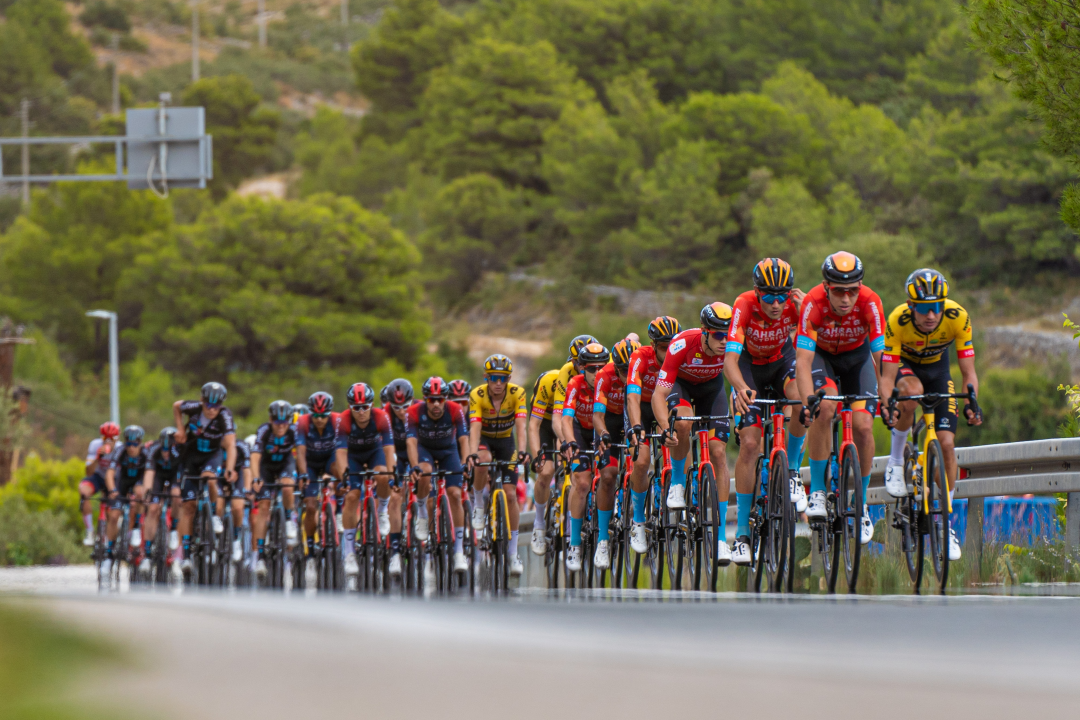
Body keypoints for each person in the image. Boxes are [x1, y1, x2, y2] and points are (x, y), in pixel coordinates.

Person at [880, 268, 983, 561]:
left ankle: (945, 523)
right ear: (912, 307)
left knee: (948, 444)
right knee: (910, 393)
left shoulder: (958, 317)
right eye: (924, 309)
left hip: (939, 371)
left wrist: (972, 401)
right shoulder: (898, 321)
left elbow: (968, 370)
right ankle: (896, 460)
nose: (931, 315)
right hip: (906, 368)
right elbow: (887, 377)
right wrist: (888, 404)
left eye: (936, 307)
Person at [794, 251, 885, 546]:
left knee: (863, 426)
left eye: (852, 291)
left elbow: (881, 358)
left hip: (857, 361)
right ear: (826, 286)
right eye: (838, 292)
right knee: (826, 406)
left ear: (860, 287)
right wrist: (809, 400)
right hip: (824, 360)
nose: (846, 299)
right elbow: (804, 362)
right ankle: (818, 490)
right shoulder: (812, 303)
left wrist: (887, 394)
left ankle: (861, 503)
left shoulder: (871, 301)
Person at [724, 258, 807, 565]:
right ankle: (743, 534)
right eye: (769, 296)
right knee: (749, 443)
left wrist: (805, 309)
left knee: (801, 398)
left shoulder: (795, 305)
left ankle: (793, 470)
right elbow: (730, 360)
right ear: (757, 292)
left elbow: (810, 349)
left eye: (781, 295)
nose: (776, 303)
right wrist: (740, 389)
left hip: (781, 361)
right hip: (748, 369)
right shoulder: (743, 305)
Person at [651, 303, 735, 564]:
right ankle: (677, 481)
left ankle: (721, 539)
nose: (724, 341)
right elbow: (658, 394)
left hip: (712, 390)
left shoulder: (732, 346)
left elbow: (740, 385)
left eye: (728, 334)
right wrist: (666, 428)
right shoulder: (681, 344)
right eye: (718, 335)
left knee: (719, 454)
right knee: (684, 424)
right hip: (682, 386)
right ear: (704, 332)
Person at [467, 354, 530, 577]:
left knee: (511, 495)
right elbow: (474, 429)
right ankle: (478, 503)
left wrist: (523, 451)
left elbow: (521, 427)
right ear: (486, 378)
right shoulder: (477, 395)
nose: (498, 383)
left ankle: (513, 554)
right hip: (484, 438)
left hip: (506, 441)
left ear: (509, 379)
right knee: (482, 460)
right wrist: (473, 453)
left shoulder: (517, 394)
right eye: (493, 378)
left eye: (502, 379)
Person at [624, 316, 681, 553]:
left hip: (663, 407)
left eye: (671, 345)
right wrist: (636, 426)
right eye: (662, 347)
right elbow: (632, 397)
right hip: (641, 409)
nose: (668, 351)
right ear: (653, 344)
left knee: (677, 440)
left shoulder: (679, 355)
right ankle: (638, 521)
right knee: (642, 460)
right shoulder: (641, 357)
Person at [406, 377, 471, 574]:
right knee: (424, 472)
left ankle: (458, 550)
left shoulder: (455, 409)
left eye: (440, 399)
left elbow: (463, 439)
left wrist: (466, 462)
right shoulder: (413, 412)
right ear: (425, 399)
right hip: (425, 450)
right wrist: (414, 466)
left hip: (448, 451)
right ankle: (423, 514)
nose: (436, 404)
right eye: (431, 399)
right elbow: (410, 442)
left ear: (445, 398)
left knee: (454, 494)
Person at [173, 382, 238, 579]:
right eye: (208, 404)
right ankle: (185, 554)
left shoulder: (225, 416)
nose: (211, 409)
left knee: (210, 479)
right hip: (191, 455)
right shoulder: (192, 407)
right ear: (202, 401)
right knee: (189, 507)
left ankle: (215, 516)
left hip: (212, 455)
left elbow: (232, 445)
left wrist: (229, 469)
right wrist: (180, 429)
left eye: (216, 405)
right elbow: (177, 406)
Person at [335, 382, 396, 579]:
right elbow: (341, 453)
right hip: (353, 456)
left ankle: (382, 510)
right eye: (356, 408)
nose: (361, 412)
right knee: (352, 496)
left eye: (365, 407)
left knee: (383, 475)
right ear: (349, 407)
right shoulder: (343, 420)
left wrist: (390, 472)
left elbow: (388, 449)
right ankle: (350, 552)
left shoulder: (381, 417)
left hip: (374, 453)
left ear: (371, 405)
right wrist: (344, 475)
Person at [591, 337, 639, 569]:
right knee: (608, 475)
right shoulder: (605, 375)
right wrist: (603, 434)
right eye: (621, 370)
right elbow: (597, 416)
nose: (624, 374)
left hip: (633, 415)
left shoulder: (640, 370)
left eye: (628, 370)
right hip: (609, 420)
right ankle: (602, 539)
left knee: (641, 459)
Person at [561, 342, 610, 571]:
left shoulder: (610, 381)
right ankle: (575, 545)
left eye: (602, 366)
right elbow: (566, 420)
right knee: (581, 483)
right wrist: (570, 441)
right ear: (582, 369)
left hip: (603, 430)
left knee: (609, 476)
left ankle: (604, 538)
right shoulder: (575, 384)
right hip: (581, 432)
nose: (597, 373)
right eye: (592, 369)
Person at [250, 400, 300, 579]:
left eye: (285, 422)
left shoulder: (294, 431)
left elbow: (301, 453)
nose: (281, 427)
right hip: (266, 468)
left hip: (285, 464)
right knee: (263, 507)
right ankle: (260, 556)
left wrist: (303, 475)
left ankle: (288, 519)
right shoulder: (264, 431)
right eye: (277, 422)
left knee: (288, 486)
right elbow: (255, 457)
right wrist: (256, 478)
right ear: (271, 420)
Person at [99, 426, 149, 582]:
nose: (132, 447)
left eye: (136, 444)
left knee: (140, 494)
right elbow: (110, 473)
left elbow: (150, 475)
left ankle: (135, 529)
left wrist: (147, 491)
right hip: (122, 483)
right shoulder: (120, 451)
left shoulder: (146, 454)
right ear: (125, 442)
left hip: (139, 482)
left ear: (140, 443)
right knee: (113, 516)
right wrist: (112, 489)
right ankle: (108, 554)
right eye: (129, 443)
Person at [380, 379, 419, 578]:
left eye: (406, 406)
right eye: (397, 407)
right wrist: (393, 473)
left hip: (417, 452)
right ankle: (395, 550)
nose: (402, 411)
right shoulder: (385, 414)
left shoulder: (420, 409)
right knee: (395, 496)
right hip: (395, 453)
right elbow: (385, 447)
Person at [297, 391, 340, 561]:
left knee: (340, 469)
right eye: (315, 415)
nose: (320, 419)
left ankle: (341, 507)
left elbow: (344, 450)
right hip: (311, 463)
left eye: (323, 415)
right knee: (310, 506)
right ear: (310, 413)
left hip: (330, 460)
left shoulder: (338, 421)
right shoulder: (302, 423)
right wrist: (303, 474)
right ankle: (310, 541)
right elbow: (300, 453)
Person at [527, 365, 561, 556]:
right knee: (546, 472)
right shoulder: (549, 381)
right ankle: (539, 523)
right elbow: (534, 425)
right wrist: (538, 457)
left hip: (568, 421)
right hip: (545, 424)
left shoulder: (588, 382)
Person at [138, 427, 182, 577]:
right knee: (152, 509)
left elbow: (183, 474)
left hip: (175, 475)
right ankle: (148, 553)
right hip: (158, 475)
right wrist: (147, 492)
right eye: (163, 449)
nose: (165, 453)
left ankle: (174, 529)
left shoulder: (180, 451)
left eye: (168, 449)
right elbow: (149, 473)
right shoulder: (154, 450)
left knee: (177, 495)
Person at [79, 421, 120, 546]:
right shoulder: (95, 445)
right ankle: (90, 531)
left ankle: (112, 539)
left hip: (113, 479)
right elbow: (88, 472)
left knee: (112, 512)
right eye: (104, 438)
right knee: (84, 491)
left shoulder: (120, 448)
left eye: (112, 439)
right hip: (98, 476)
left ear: (117, 439)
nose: (108, 441)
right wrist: (97, 457)